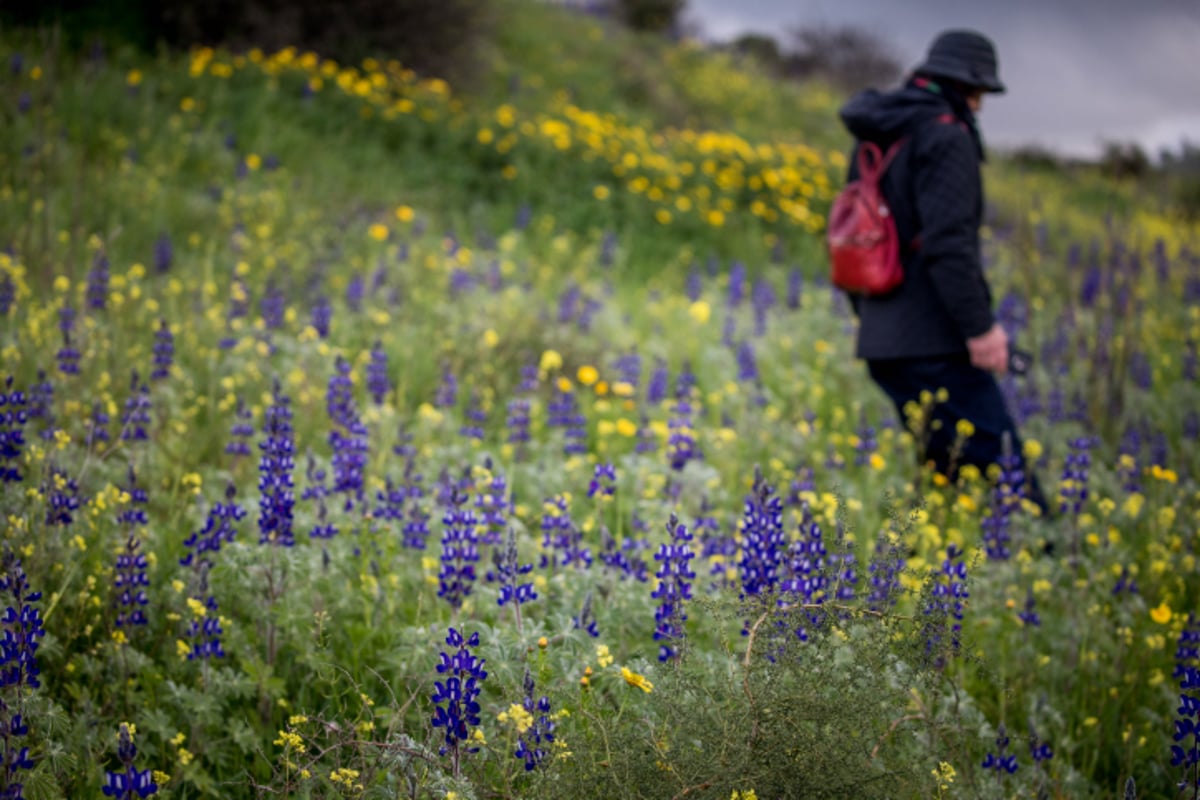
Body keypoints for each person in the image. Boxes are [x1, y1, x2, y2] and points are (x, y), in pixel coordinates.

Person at [836, 29, 1049, 513]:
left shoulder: (880, 132)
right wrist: (981, 330)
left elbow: (858, 237)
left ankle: (928, 579)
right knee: (1010, 481)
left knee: (945, 479)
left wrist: (871, 318)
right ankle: (1046, 559)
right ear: (962, 87)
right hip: (936, 342)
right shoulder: (945, 135)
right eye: (978, 94)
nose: (978, 108)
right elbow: (949, 246)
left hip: (884, 341)